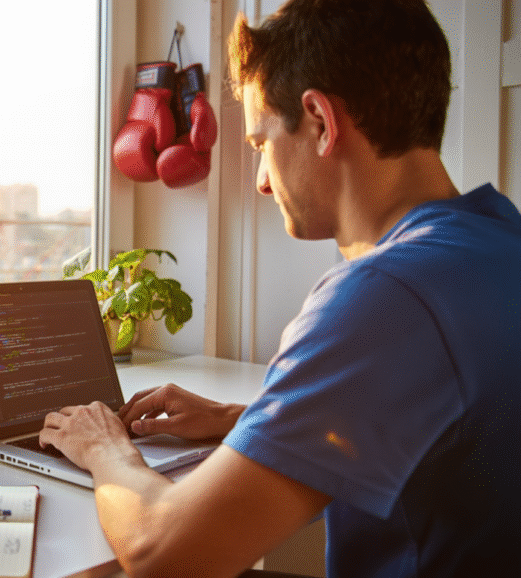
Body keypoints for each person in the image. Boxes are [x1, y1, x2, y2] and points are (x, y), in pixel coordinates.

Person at [38, 1, 521, 576]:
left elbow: (163, 554)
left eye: (260, 143)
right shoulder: (497, 238)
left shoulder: (386, 295)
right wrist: (244, 419)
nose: (263, 182)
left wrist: (103, 446)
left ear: (319, 122)